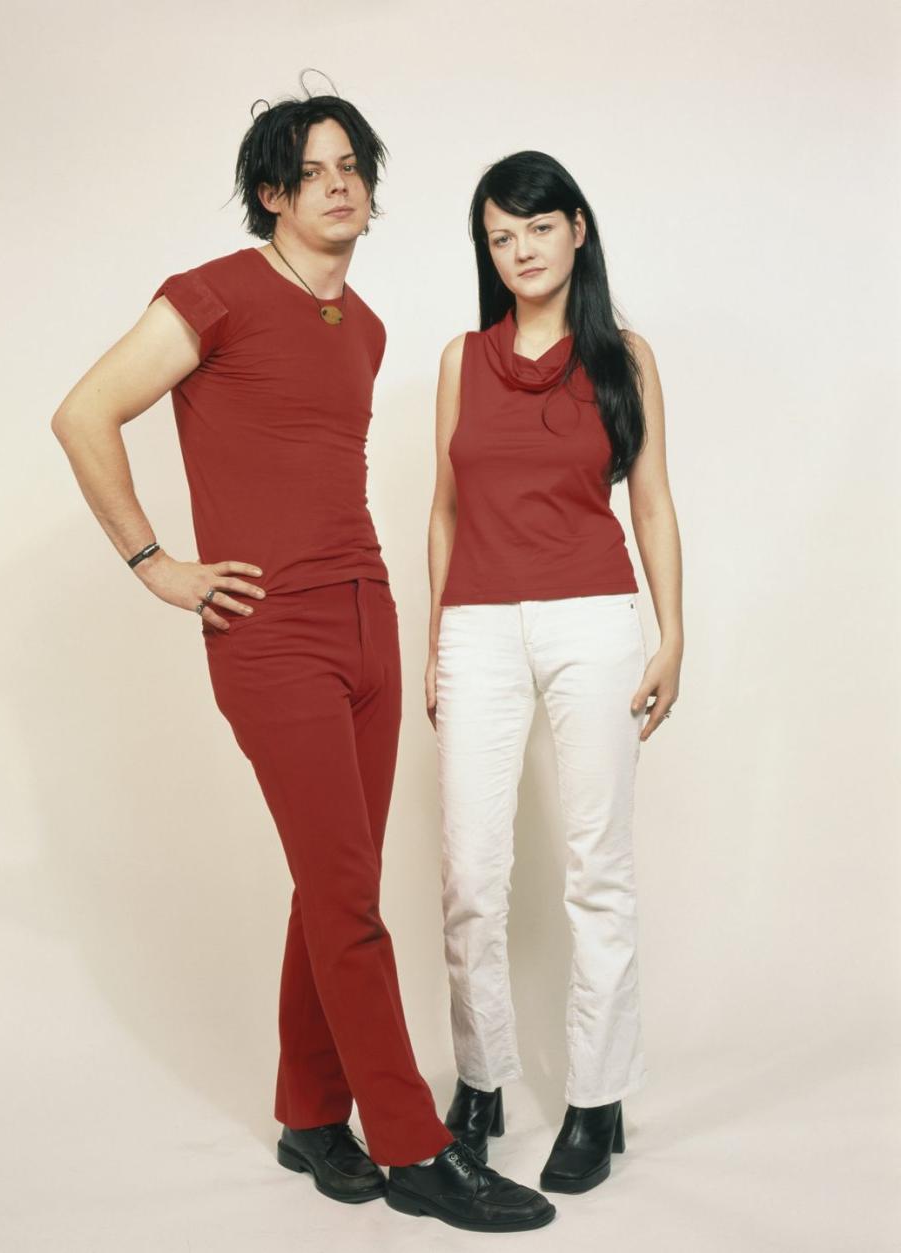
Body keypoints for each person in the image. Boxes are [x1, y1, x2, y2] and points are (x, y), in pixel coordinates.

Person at [50, 86, 555, 1234]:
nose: (337, 183)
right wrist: (158, 562)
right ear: (271, 193)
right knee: (345, 894)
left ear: (369, 190)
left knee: (333, 886)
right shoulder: (212, 295)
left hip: (367, 614)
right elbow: (83, 413)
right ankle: (413, 1145)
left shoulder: (368, 327)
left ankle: (308, 1113)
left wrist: (398, 624)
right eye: (310, 169)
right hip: (270, 629)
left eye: (352, 167)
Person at [425, 150, 683, 1194]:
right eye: (499, 235)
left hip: (594, 618)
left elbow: (653, 500)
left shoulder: (625, 355)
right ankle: (481, 1079)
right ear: (486, 250)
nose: (520, 249)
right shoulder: (461, 359)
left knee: (595, 869)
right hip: (479, 623)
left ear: (577, 229)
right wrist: (434, 643)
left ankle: (596, 1094)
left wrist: (675, 634)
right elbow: (441, 509)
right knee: (472, 875)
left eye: (537, 226)